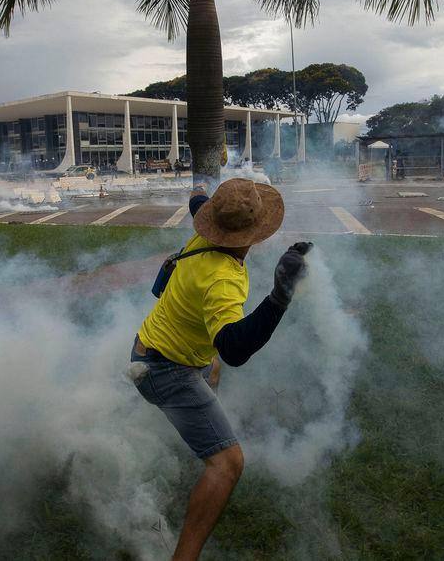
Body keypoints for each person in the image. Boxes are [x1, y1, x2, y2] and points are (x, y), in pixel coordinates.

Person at [129, 178, 311, 560]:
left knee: (212, 369)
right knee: (228, 464)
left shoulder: (205, 230)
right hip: (165, 370)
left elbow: (198, 200)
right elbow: (233, 349)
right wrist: (280, 294)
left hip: (149, 347)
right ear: (256, 231)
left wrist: (199, 184)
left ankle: (196, 420)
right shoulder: (223, 277)